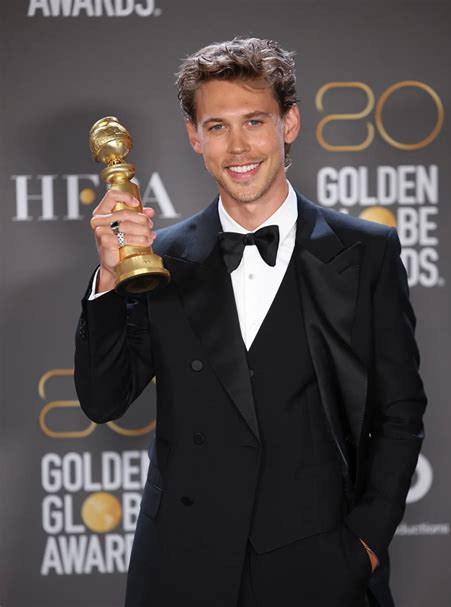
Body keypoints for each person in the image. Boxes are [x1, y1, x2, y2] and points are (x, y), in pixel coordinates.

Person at [75, 37, 427, 607]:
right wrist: (112, 278)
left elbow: (399, 413)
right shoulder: (160, 259)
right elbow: (103, 400)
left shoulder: (366, 252)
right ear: (194, 136)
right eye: (217, 127)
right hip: (182, 565)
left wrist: (364, 544)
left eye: (254, 122)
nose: (238, 147)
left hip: (319, 564)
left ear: (289, 123)